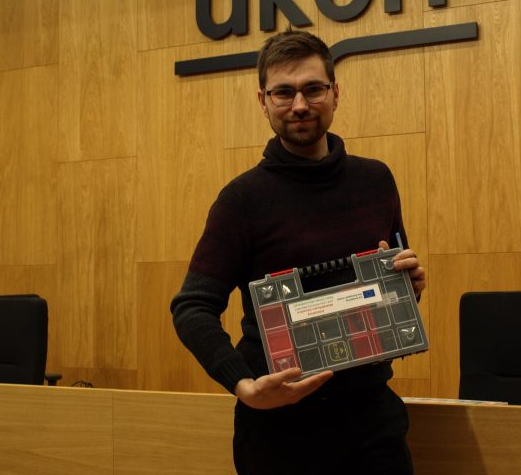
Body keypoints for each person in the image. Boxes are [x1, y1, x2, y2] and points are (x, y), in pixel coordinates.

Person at [170, 29, 426, 475]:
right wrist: (243, 384)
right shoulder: (241, 200)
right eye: (284, 92)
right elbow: (192, 307)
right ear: (263, 101)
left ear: (335, 93)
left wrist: (407, 287)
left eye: (313, 89)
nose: (300, 105)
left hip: (373, 422)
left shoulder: (376, 181)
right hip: (279, 433)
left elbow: (387, 292)